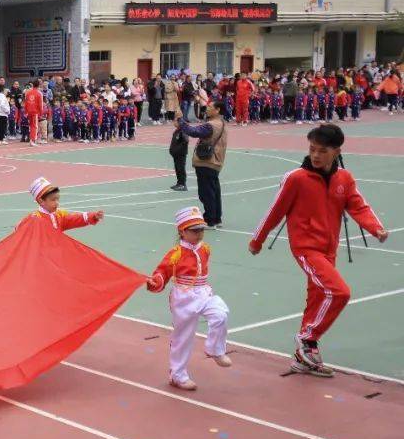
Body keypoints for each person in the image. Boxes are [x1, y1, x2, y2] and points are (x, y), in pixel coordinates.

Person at [249, 124, 389, 376]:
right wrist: (257, 240)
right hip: (305, 247)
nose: (315, 155)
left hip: (329, 248)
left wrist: (375, 228)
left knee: (317, 298)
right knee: (339, 292)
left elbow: (358, 206)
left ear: (336, 152)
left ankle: (303, 359)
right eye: (312, 149)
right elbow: (275, 211)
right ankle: (307, 339)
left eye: (322, 151)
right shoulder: (296, 178)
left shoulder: (344, 178)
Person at [146, 206, 231, 391]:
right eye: (194, 230)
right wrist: (156, 281)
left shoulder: (205, 249)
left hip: (203, 292)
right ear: (182, 231)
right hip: (183, 297)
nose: (199, 234)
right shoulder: (175, 253)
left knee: (221, 313)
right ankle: (178, 375)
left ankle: (215, 350)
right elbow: (162, 272)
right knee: (182, 337)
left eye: (201, 229)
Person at [176, 101, 227, 229]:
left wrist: (180, 120)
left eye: (210, 107)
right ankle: (216, 218)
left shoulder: (211, 125)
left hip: (207, 161)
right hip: (215, 161)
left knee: (206, 192)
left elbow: (192, 131)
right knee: (214, 190)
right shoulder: (221, 123)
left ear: (218, 110)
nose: (207, 108)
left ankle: (210, 220)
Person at [25, 177, 103, 232]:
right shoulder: (33, 219)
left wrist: (93, 216)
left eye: (57, 199)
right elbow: (20, 235)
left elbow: (74, 219)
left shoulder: (59, 215)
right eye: (53, 200)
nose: (57, 203)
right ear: (41, 201)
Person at [24, 80, 45, 146]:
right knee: (34, 126)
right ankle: (32, 140)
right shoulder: (39, 93)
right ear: (39, 85)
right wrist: (41, 113)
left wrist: (26, 112)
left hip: (29, 111)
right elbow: (40, 105)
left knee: (31, 126)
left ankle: (31, 140)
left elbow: (26, 103)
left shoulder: (28, 93)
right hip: (35, 112)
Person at [168, 123, 189, 192]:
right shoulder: (177, 130)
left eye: (175, 121)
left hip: (181, 154)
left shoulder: (183, 130)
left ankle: (183, 184)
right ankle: (179, 183)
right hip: (176, 154)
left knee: (181, 168)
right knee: (177, 168)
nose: (174, 122)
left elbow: (186, 141)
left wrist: (178, 149)